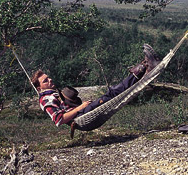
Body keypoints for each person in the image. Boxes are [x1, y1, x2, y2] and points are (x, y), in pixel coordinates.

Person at [31, 44, 161, 127]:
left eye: (48, 77)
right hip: (80, 118)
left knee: (112, 93)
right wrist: (80, 107)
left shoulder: (50, 94)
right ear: (39, 88)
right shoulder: (45, 99)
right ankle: (144, 67)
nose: (50, 80)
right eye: (45, 81)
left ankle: (144, 69)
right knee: (112, 94)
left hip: (81, 113)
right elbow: (59, 120)